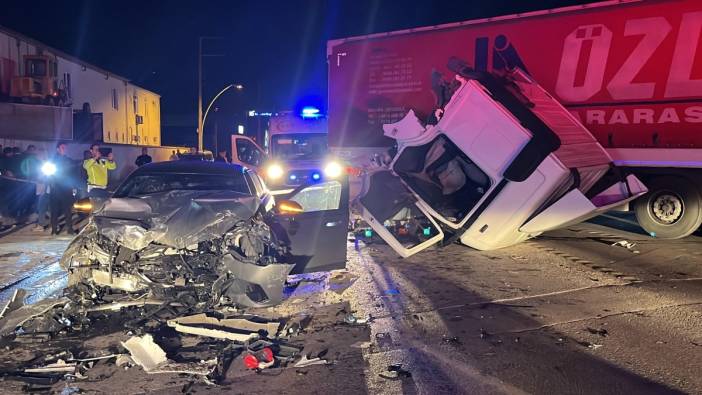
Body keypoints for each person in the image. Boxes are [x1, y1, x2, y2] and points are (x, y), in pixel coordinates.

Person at [49, 142, 76, 235]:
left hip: (66, 188)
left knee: (67, 209)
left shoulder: (69, 160)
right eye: (62, 147)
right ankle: (54, 229)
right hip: (55, 187)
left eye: (65, 148)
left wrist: (73, 186)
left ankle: (70, 229)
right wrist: (51, 183)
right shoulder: (52, 160)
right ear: (57, 149)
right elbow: (48, 173)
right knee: (54, 209)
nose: (64, 149)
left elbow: (73, 174)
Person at [33, 148, 50, 231]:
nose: (36, 155)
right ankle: (48, 223)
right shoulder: (42, 164)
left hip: (43, 189)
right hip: (42, 189)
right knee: (44, 207)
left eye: (38, 154)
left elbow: (44, 178)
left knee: (42, 207)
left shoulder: (45, 165)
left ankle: (41, 225)